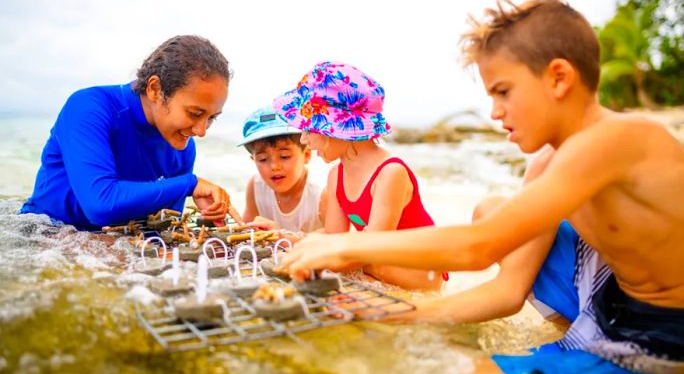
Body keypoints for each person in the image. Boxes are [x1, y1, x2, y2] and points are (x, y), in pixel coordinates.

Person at [276, 0, 684, 374]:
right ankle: (572, 340)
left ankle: (612, 368)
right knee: (496, 213)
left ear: (558, 78)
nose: (495, 113)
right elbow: (507, 291)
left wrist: (342, 243)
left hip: (671, 327)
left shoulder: (618, 139)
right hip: (609, 297)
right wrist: (398, 315)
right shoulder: (545, 166)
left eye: (503, 92)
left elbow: (481, 247)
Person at [21, 35, 243, 231]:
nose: (201, 131)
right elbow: (101, 205)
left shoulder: (182, 147)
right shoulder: (89, 108)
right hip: (43, 237)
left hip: (106, 247)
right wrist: (188, 185)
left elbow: (159, 229)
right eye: (194, 113)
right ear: (155, 89)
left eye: (212, 118)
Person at [273, 61, 445, 291]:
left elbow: (371, 249)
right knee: (332, 259)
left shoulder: (390, 173)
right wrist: (283, 238)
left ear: (336, 127)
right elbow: (333, 234)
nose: (303, 140)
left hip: (422, 271)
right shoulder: (336, 175)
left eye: (309, 129)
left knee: (348, 267)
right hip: (378, 261)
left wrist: (312, 256)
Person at [239, 106, 326, 234]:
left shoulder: (321, 192)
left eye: (284, 156)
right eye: (263, 159)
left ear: (307, 155)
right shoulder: (256, 186)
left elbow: (338, 240)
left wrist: (281, 236)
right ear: (253, 160)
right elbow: (246, 230)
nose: (274, 166)